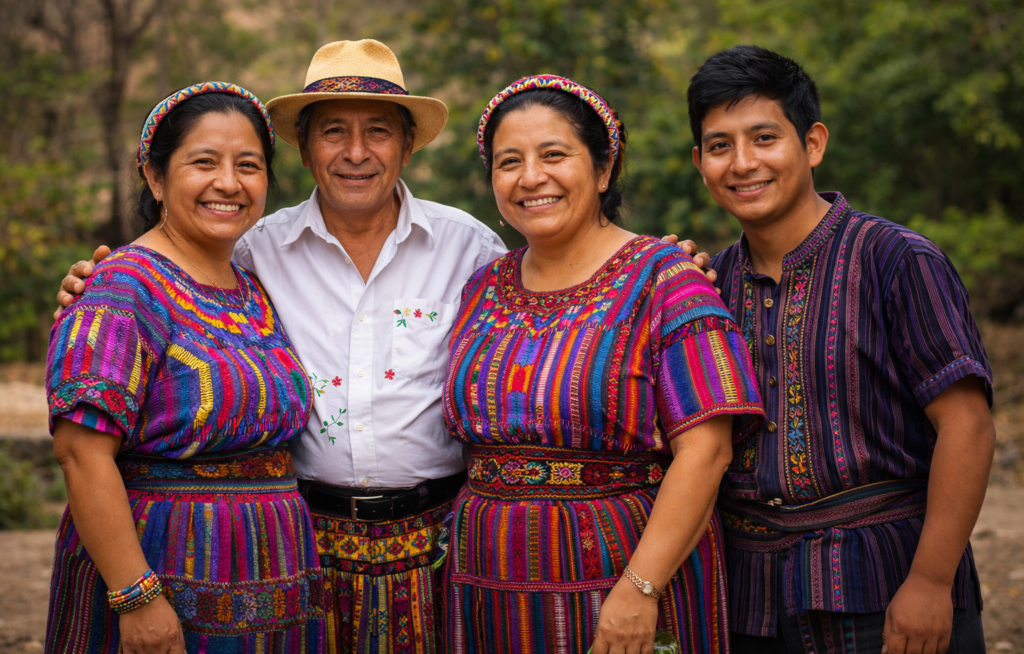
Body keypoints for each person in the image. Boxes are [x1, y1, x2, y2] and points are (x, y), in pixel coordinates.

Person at [54, 41, 719, 653]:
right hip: (303, 548)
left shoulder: (474, 251)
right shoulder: (252, 252)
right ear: (307, 148)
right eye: (333, 131)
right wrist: (95, 285)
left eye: (377, 130)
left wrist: (668, 267)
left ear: (407, 146)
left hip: (439, 551)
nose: (355, 151)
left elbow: (572, 284)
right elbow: (165, 298)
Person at [440, 74, 765, 654]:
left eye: (554, 154)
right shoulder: (481, 287)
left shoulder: (665, 278)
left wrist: (641, 588)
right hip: (487, 583)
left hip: (621, 576)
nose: (531, 177)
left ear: (604, 169)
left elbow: (707, 450)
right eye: (508, 161)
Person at [687, 45, 994, 654]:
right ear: (700, 162)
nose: (742, 163)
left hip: (883, 582)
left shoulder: (896, 259)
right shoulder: (707, 287)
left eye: (765, 138)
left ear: (814, 143)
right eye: (720, 146)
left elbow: (969, 426)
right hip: (752, 599)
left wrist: (931, 582)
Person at [45, 83, 326, 654]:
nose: (229, 183)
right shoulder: (123, 288)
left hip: (272, 580)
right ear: (155, 177)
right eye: (204, 162)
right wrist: (137, 596)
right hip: (163, 573)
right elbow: (81, 451)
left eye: (248, 165)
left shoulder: (250, 286)